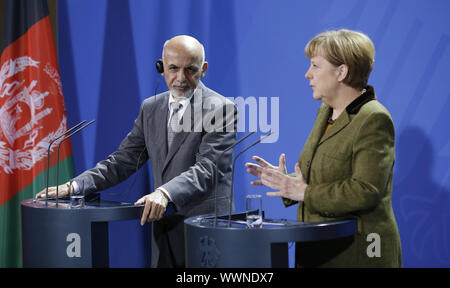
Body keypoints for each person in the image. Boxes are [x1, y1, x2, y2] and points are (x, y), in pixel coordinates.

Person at [36, 35, 237, 268]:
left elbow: (207, 169)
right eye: (173, 68)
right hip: (163, 229)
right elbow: (122, 161)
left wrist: (164, 193)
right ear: (161, 68)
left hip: (204, 231)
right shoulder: (151, 108)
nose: (181, 78)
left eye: (190, 70)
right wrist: (76, 186)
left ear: (203, 69)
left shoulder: (221, 109)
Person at [246, 29, 402, 267]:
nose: (308, 74)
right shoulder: (325, 112)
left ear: (342, 71)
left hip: (358, 253)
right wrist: (284, 182)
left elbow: (366, 190)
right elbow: (326, 173)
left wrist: (302, 192)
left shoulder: (373, 119)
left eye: (316, 66)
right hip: (318, 249)